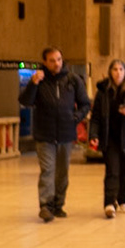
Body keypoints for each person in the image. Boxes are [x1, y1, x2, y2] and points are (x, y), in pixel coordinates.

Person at [20, 47, 89, 223]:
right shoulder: (39, 80)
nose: (56, 63)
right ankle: (46, 206)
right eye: (52, 60)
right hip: (44, 134)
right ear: (44, 62)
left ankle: (58, 204)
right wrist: (33, 83)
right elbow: (25, 101)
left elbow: (85, 104)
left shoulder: (73, 80)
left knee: (62, 173)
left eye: (58, 59)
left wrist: (75, 118)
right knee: (47, 170)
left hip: (66, 133)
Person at [87, 59, 125, 217]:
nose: (118, 72)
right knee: (112, 170)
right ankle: (109, 202)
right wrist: (93, 135)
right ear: (110, 72)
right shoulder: (103, 91)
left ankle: (124, 200)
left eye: (121, 69)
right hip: (109, 137)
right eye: (115, 69)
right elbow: (96, 117)